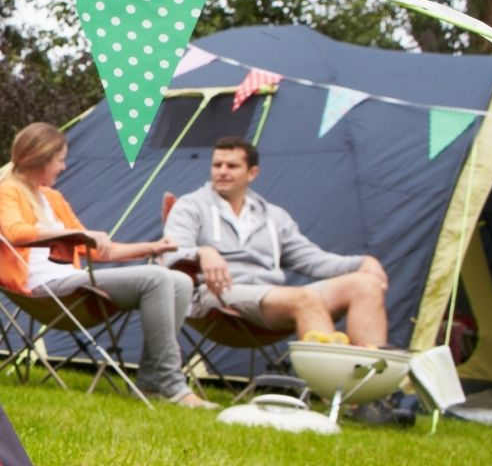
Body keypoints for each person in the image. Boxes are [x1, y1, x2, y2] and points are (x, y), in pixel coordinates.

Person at [0, 123, 209, 409]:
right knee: (156, 278)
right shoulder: (8, 189)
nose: (63, 167)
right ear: (41, 158)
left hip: (71, 280)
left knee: (179, 280)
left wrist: (153, 247)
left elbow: (95, 249)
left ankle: (151, 381)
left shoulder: (52, 198)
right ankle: (172, 383)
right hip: (40, 287)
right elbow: (15, 232)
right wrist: (73, 235)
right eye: (60, 160)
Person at [164, 136, 389, 345]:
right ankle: (334, 385)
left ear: (252, 173)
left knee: (365, 285)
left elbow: (311, 259)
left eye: (231, 166)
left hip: (271, 298)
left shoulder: (274, 216)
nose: (222, 172)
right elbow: (171, 252)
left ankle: (371, 379)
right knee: (306, 299)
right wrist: (203, 252)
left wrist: (362, 263)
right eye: (217, 165)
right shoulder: (190, 205)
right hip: (217, 297)